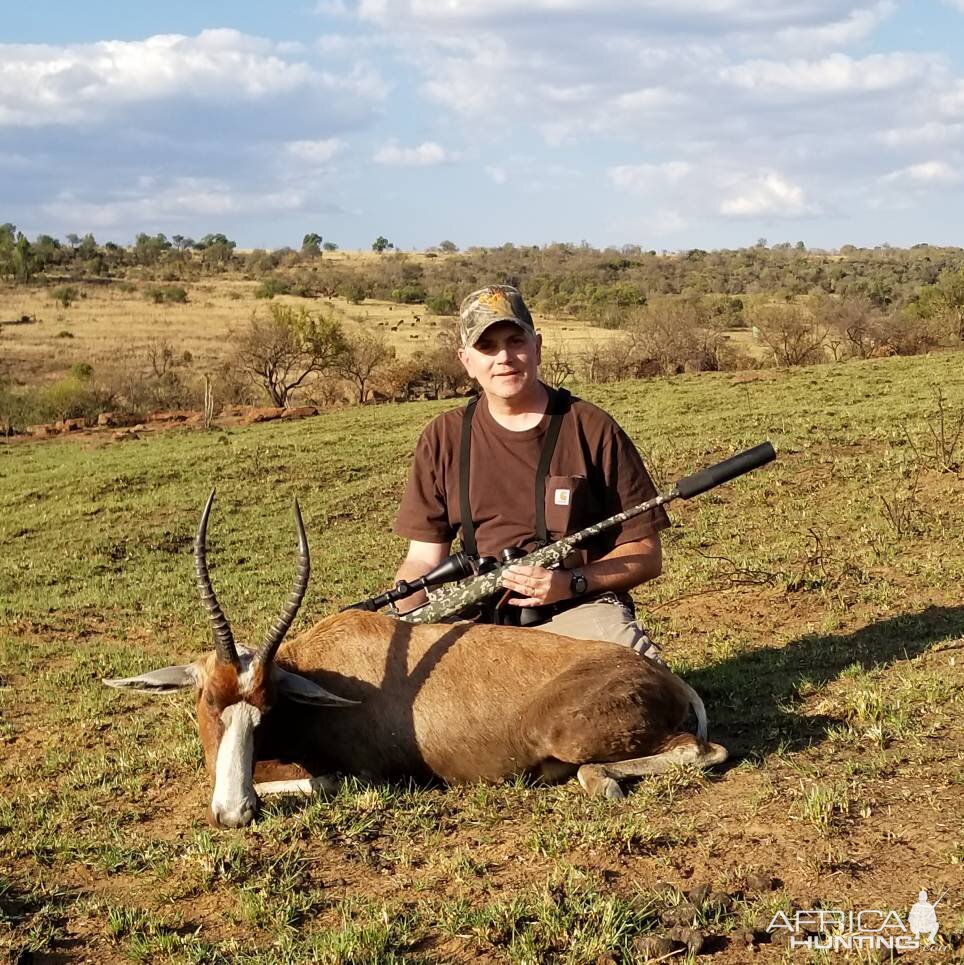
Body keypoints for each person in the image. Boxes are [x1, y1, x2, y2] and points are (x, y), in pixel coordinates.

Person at [392, 285, 669, 661]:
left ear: (537, 346)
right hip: (480, 622)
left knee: (635, 682)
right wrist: (405, 618)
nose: (504, 357)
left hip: (578, 608)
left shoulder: (591, 426)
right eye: (486, 347)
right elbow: (424, 559)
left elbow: (647, 554)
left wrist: (569, 583)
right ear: (466, 361)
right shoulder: (442, 437)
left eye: (515, 340)